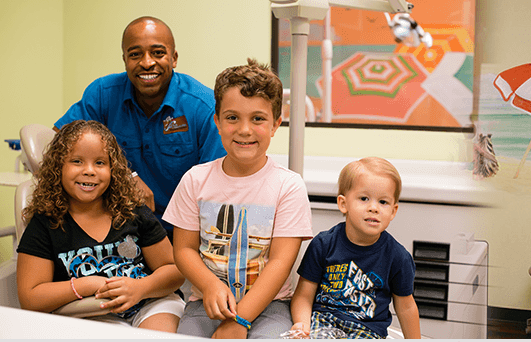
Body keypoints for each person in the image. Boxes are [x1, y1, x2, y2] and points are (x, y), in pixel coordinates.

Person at [164, 58, 313, 339]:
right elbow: (183, 250)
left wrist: (240, 320)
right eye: (232, 118)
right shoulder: (195, 180)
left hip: (271, 305)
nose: (244, 129)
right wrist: (210, 286)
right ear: (217, 122)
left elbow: (281, 263)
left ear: (275, 124)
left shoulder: (288, 186)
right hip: (207, 303)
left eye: (258, 118)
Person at [54, 16, 225, 239]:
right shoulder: (102, 94)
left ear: (174, 58)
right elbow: (61, 143)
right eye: (135, 54)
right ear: (124, 60)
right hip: (112, 227)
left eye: (158, 53)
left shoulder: (203, 106)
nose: (147, 62)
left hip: (182, 233)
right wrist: (127, 176)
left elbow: (215, 186)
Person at [16, 120, 185, 332]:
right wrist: (85, 285)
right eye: (77, 161)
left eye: (100, 163)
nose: (89, 171)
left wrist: (140, 288)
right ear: (58, 167)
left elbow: (174, 271)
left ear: (113, 169)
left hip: (150, 303)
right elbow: (31, 298)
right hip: (88, 312)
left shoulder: (132, 211)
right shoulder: (46, 224)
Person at [290, 157, 421, 339]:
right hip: (323, 322)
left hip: (367, 330)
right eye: (364, 198)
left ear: (393, 211)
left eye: (383, 202)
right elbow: (304, 295)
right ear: (343, 204)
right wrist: (302, 325)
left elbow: (406, 307)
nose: (373, 208)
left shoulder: (398, 257)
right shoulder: (323, 244)